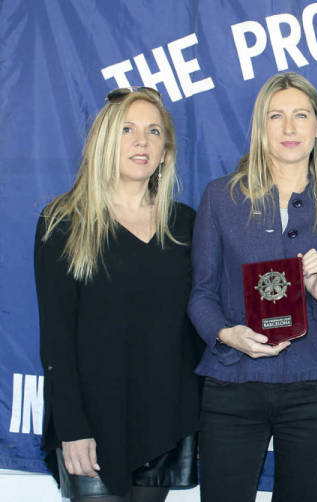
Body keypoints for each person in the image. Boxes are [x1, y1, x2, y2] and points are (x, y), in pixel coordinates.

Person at [188, 72, 317, 502]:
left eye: (301, 115)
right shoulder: (220, 197)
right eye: (275, 116)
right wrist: (226, 333)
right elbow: (201, 294)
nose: (289, 128)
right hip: (233, 383)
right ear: (261, 128)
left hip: (315, 387)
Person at [34, 86, 200, 502]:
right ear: (105, 141)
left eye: (153, 132)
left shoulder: (185, 224)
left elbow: (204, 317)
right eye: (127, 129)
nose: (141, 141)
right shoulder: (63, 222)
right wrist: (72, 428)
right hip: (93, 425)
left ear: (166, 151)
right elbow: (56, 337)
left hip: (165, 419)